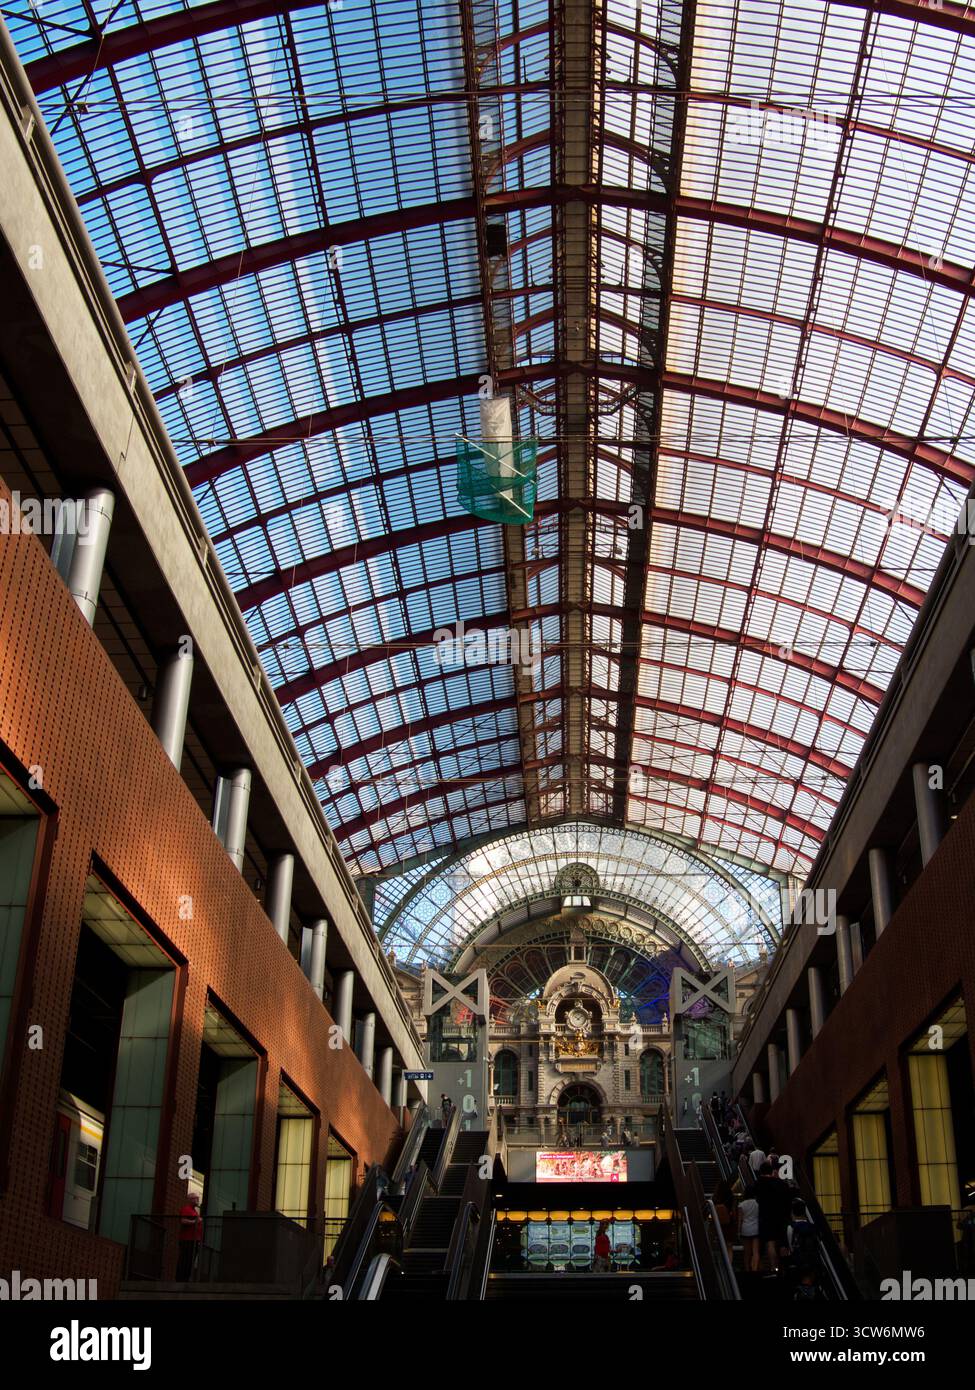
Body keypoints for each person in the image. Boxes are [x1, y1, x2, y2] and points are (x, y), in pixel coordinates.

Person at [755, 1161, 790, 1274]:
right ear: (771, 1171)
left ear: (761, 1172)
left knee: (770, 1243)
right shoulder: (781, 1184)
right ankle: (784, 1267)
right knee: (783, 1243)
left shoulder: (758, 1184)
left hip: (766, 1217)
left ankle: (774, 1268)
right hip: (781, 1216)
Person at [177, 1190, 203, 1281]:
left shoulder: (194, 1211)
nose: (198, 1200)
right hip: (187, 1240)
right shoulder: (186, 1209)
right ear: (191, 1199)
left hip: (194, 1240)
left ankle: (186, 1278)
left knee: (190, 1261)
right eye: (196, 1199)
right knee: (185, 1259)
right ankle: (181, 1279)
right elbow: (183, 1220)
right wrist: (194, 1222)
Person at [738, 1192, 760, 1272]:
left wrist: (738, 1231)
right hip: (756, 1229)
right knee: (755, 1251)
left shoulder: (741, 1205)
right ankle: (755, 1269)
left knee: (747, 1252)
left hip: (745, 1229)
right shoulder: (757, 1203)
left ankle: (747, 1269)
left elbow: (740, 1219)